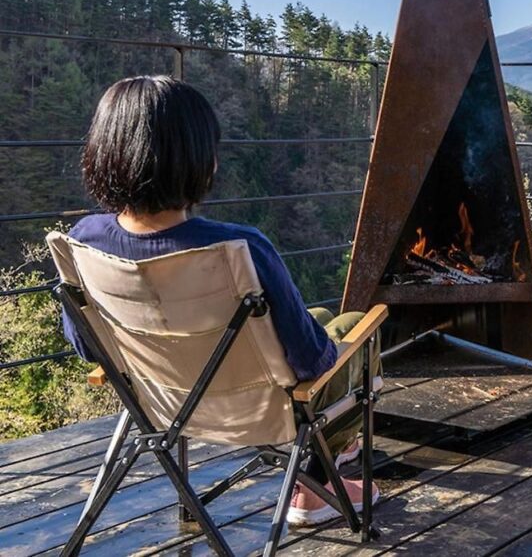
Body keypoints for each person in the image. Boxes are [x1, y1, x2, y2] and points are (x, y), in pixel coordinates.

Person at [61, 75, 378, 526]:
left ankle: (329, 457)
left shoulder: (84, 240)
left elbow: (87, 346)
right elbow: (311, 361)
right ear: (197, 160)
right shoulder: (240, 248)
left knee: (322, 315)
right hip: (256, 411)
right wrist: (340, 346)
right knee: (354, 330)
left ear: (104, 152)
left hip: (159, 403)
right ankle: (318, 484)